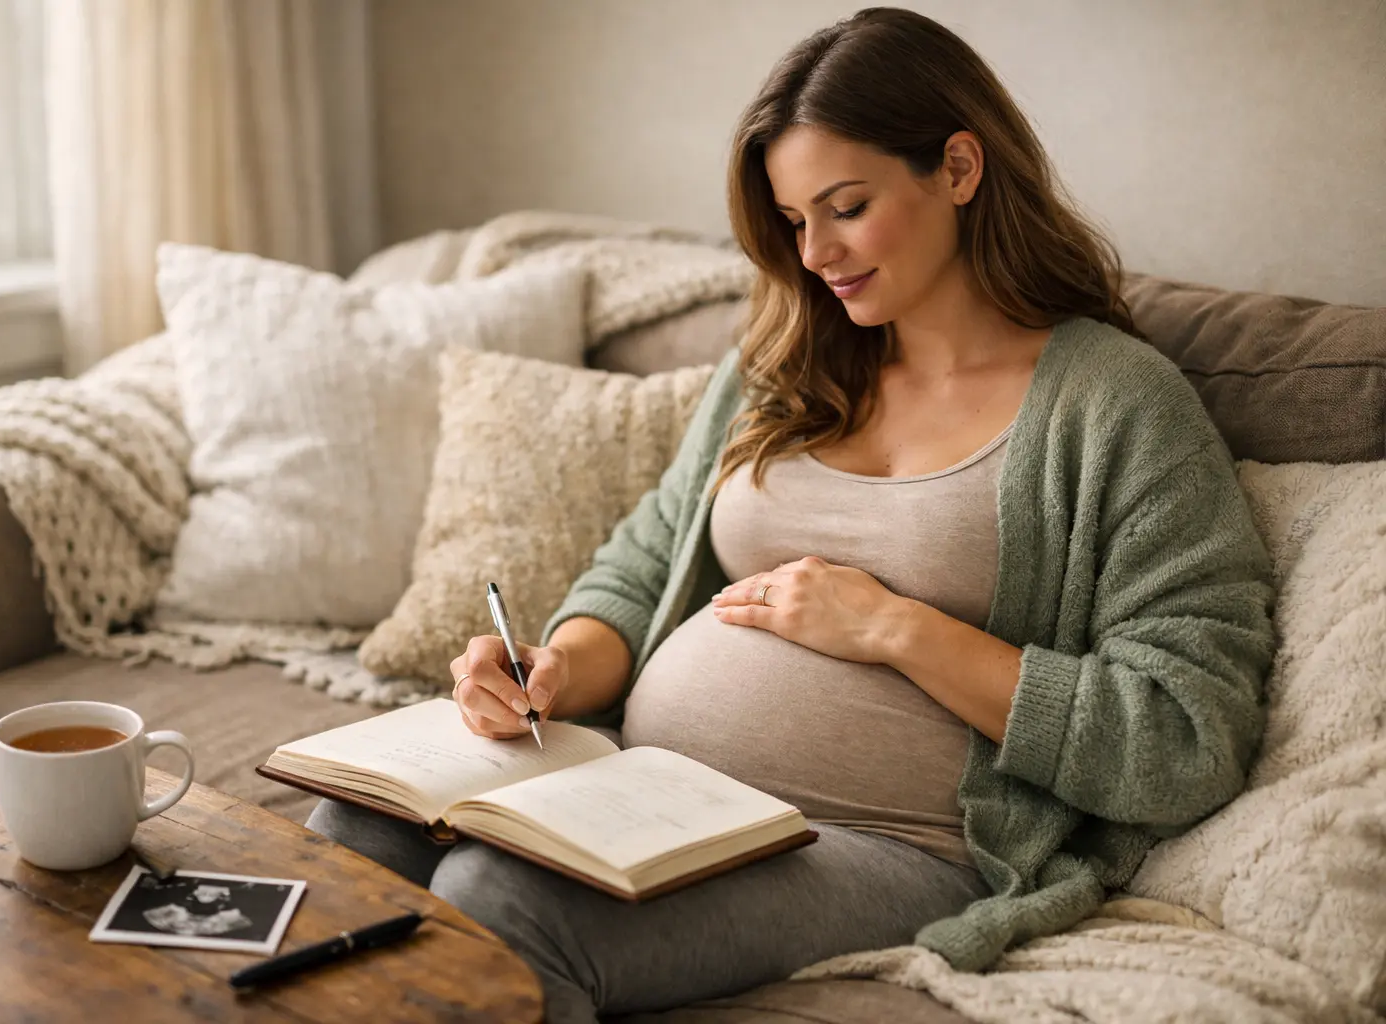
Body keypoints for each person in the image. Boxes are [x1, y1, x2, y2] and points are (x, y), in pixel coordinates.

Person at [307, 8, 1276, 1022]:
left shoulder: (1114, 405)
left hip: (896, 844)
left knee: (498, 904)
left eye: (845, 207)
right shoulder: (783, 362)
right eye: (792, 221)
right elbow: (640, 569)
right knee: (351, 830)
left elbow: (1188, 736)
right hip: (651, 791)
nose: (814, 253)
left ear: (956, 167)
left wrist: (894, 627)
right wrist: (551, 671)